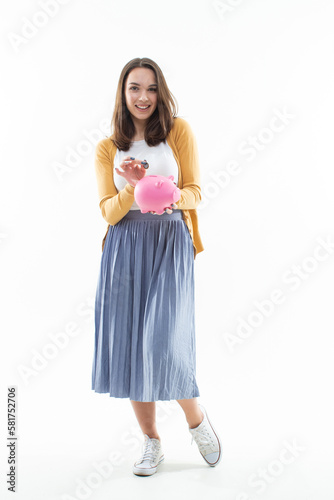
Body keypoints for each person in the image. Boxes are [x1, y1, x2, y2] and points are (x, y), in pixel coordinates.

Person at [91, 57, 222, 476]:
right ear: (123, 92)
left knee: (164, 339)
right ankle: (151, 442)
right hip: (124, 247)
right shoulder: (108, 147)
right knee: (132, 343)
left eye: (150, 88)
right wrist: (131, 188)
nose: (143, 97)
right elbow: (108, 212)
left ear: (159, 91)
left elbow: (196, 192)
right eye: (134, 88)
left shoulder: (178, 132)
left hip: (170, 242)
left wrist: (166, 195)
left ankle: (196, 420)